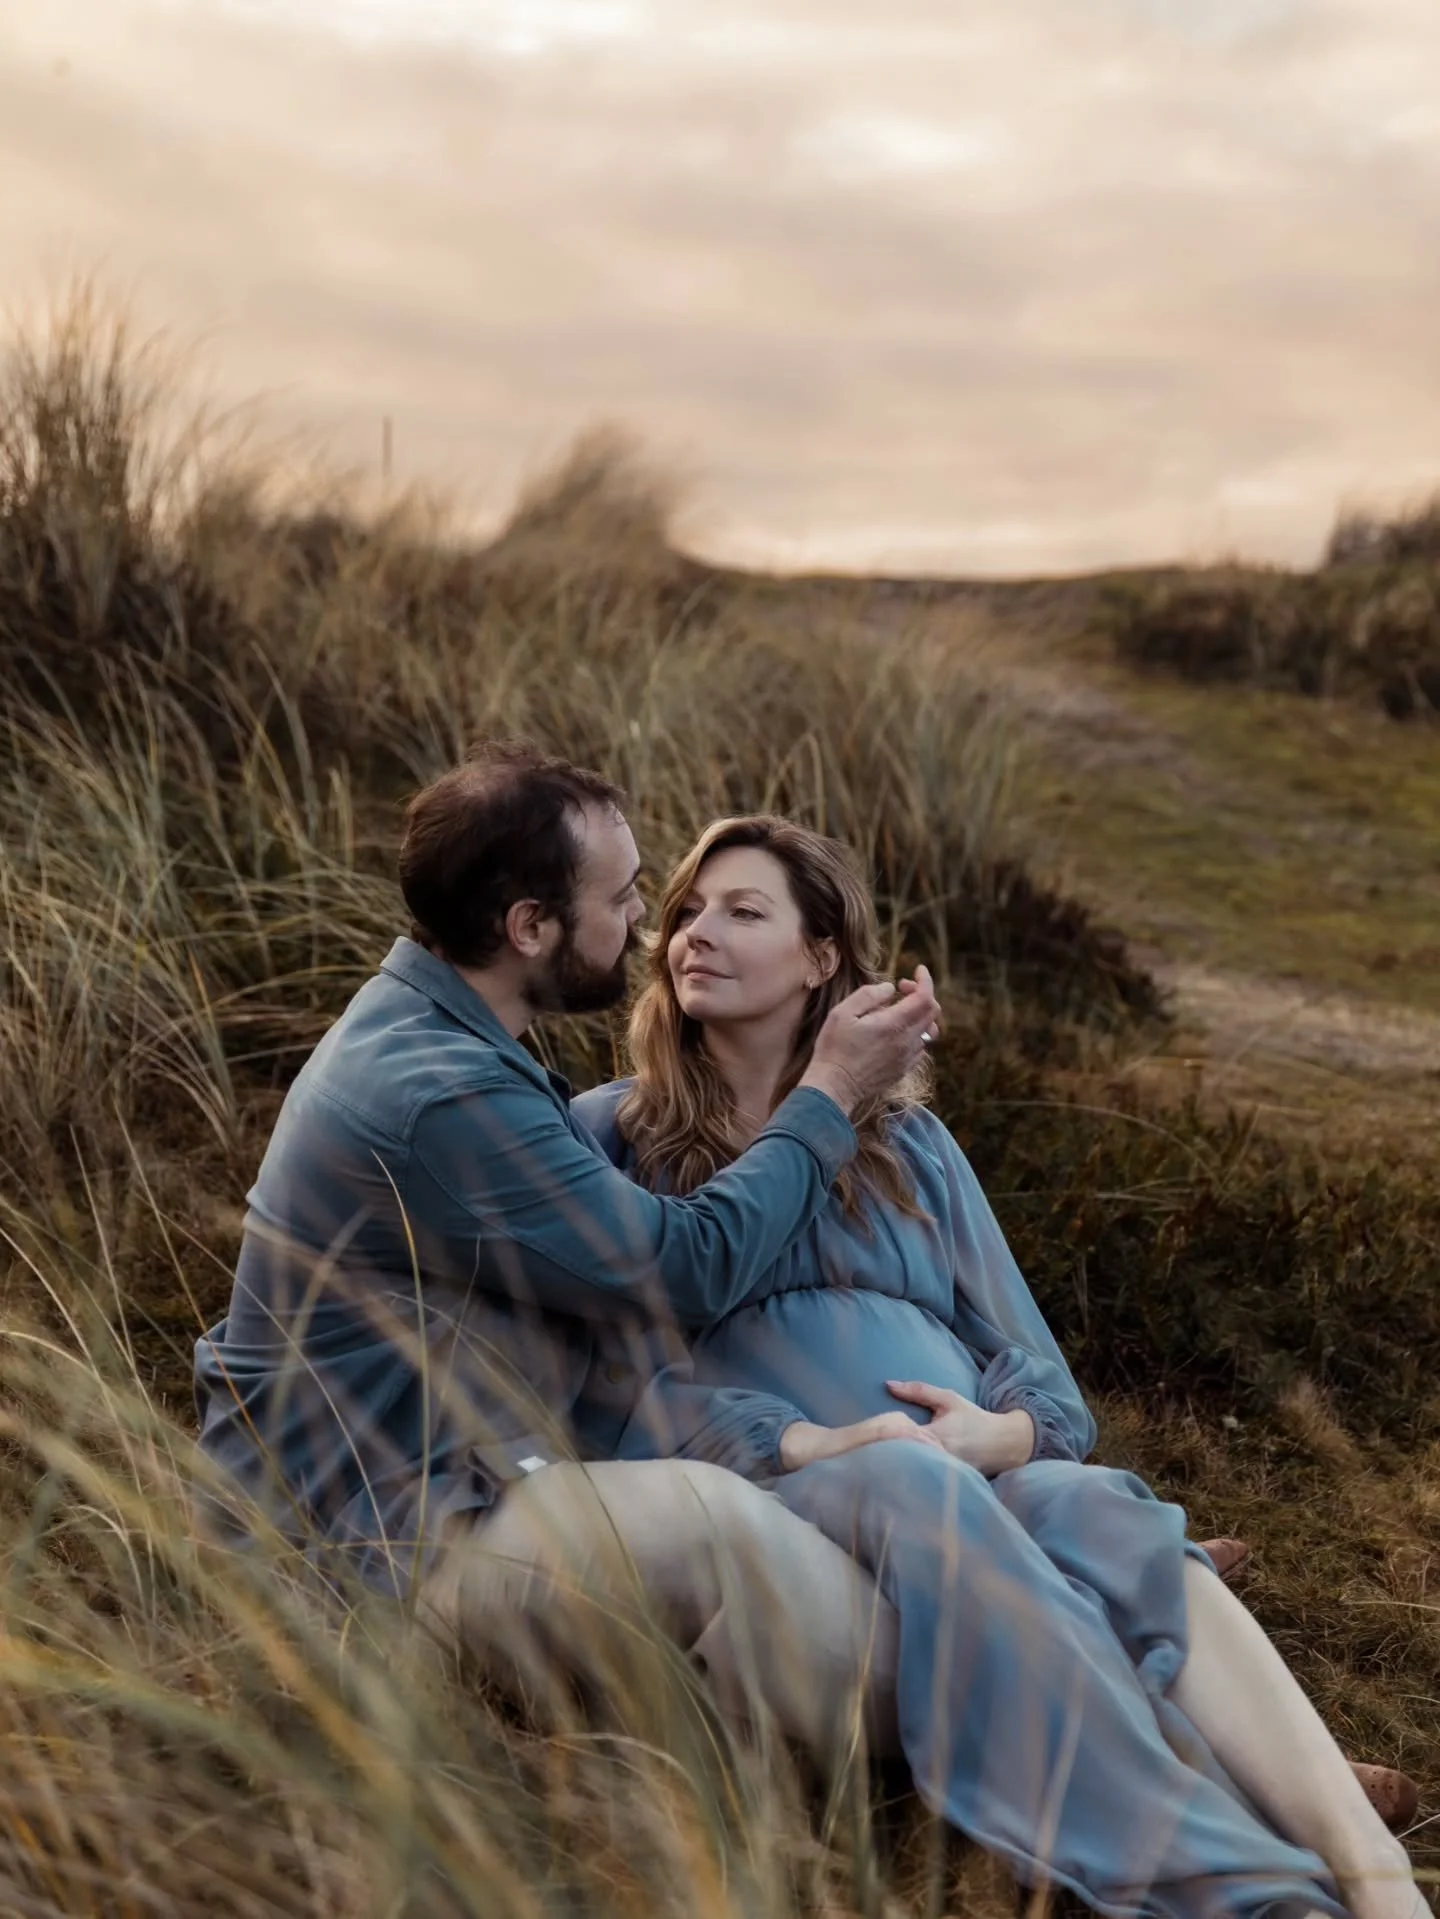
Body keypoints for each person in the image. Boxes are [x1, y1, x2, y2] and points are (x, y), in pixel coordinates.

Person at [572, 814, 1426, 1919]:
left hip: (969, 1468)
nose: (697, 931)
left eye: (742, 910)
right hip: (803, 1481)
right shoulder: (615, 1135)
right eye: (687, 909)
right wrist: (814, 1439)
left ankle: (1381, 1882)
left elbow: (1041, 1375)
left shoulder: (913, 1146)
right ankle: (1250, 1882)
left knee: (1103, 1504)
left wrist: (1001, 1432)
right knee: (916, 1481)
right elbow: (612, 1383)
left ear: (822, 956)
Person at [193, 743, 941, 1759]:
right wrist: (832, 1091)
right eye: (623, 897)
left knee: (808, 1551)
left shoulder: (455, 1040)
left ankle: (837, 1741)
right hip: (367, 1551)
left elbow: (596, 1337)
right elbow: (686, 1267)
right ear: (530, 927)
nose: (647, 923)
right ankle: (980, 1744)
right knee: (732, 1537)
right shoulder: (441, 1094)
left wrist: (793, 1441)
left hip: (462, 1485)